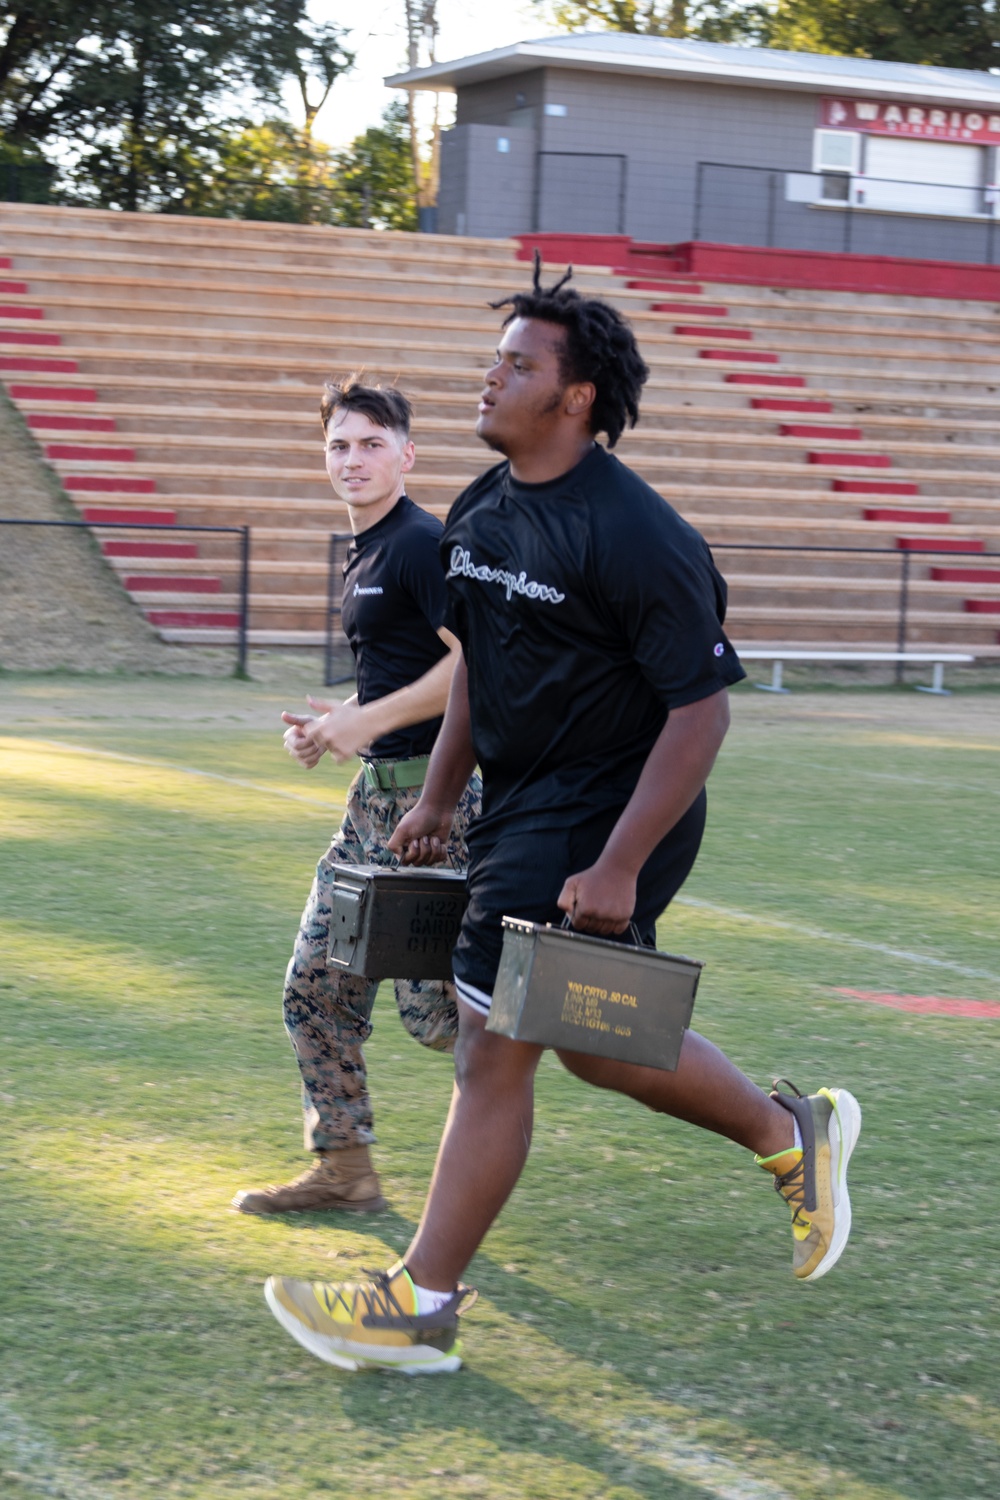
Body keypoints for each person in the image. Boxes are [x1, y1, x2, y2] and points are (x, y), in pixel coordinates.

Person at [263, 264, 861, 1370]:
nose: (490, 378)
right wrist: (440, 793)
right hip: (523, 807)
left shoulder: (639, 536)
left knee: (493, 1046)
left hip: (613, 811)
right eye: (495, 360)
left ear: (575, 396)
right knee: (591, 1041)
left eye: (518, 365)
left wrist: (622, 862)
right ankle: (791, 1134)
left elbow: (699, 717)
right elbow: (482, 666)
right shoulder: (487, 508)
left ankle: (419, 1306)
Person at [234, 377, 481, 1216]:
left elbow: (474, 664)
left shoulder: (419, 543)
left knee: (449, 1017)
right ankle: (346, 1170)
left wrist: (368, 716)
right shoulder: (366, 550)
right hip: (375, 803)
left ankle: (660, 1063)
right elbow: (405, 674)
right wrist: (338, 723)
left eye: (372, 442)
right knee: (317, 988)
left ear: (407, 454)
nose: (353, 459)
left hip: (437, 814)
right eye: (339, 444)